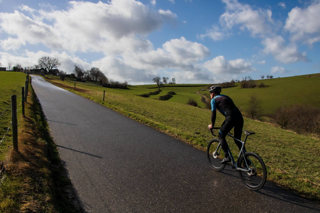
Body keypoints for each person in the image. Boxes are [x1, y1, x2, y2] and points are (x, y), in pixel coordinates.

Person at [207, 85, 244, 164]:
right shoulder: (227, 97)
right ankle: (245, 159)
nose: (210, 95)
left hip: (230, 118)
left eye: (210, 93)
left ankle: (227, 156)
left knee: (221, 135)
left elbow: (213, 114)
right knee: (237, 139)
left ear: (213, 93)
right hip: (240, 118)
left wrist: (212, 125)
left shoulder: (213, 100)